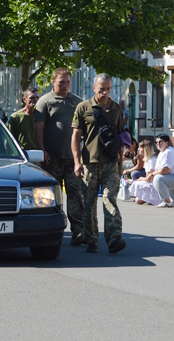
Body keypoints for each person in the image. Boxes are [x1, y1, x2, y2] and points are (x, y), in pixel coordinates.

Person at [71, 73, 127, 254]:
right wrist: (77, 162)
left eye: (108, 89)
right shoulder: (83, 107)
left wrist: (120, 164)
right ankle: (91, 239)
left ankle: (113, 238)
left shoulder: (116, 109)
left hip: (111, 163)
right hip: (90, 163)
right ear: (94, 88)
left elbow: (120, 137)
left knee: (110, 199)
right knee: (89, 203)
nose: (105, 92)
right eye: (102, 88)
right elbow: (76, 136)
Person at [33, 67, 86, 246]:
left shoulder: (77, 102)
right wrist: (42, 150)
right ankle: (49, 230)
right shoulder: (45, 102)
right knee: (49, 197)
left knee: (76, 194)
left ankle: (78, 231)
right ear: (54, 82)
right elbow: (38, 128)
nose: (65, 85)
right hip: (51, 158)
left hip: (72, 159)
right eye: (61, 82)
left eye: (67, 82)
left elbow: (84, 130)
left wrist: (81, 155)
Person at [128, 139, 161, 205]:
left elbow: (149, 179)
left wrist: (140, 179)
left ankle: (151, 198)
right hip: (152, 183)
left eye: (140, 148)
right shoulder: (147, 160)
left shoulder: (151, 160)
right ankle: (148, 198)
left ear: (145, 149)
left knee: (138, 200)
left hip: (154, 185)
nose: (138, 149)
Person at [8, 88, 40, 152]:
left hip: (39, 153)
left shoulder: (41, 116)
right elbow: (9, 140)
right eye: (32, 98)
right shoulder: (16, 117)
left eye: (37, 97)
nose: (35, 100)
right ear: (25, 99)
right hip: (23, 153)